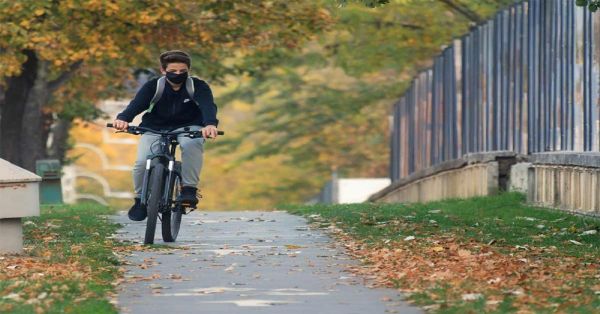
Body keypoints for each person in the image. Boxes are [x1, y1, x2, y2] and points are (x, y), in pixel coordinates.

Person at [113, 50, 219, 221]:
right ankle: (140, 199)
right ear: (163, 70)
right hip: (155, 127)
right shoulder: (154, 86)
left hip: (188, 126)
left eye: (182, 72)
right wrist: (123, 119)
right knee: (142, 161)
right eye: (173, 71)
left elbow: (208, 106)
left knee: (191, 145)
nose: (178, 75)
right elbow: (137, 105)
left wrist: (210, 124)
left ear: (188, 71)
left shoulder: (198, 86)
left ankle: (189, 190)